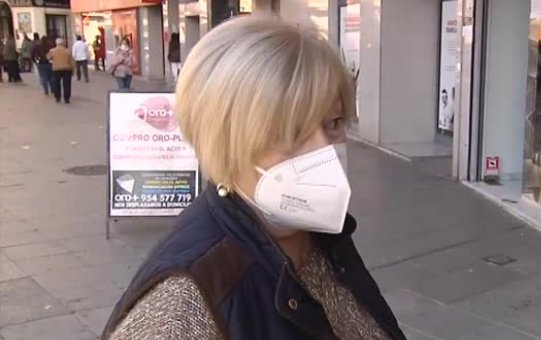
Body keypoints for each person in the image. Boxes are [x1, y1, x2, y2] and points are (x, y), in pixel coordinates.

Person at [102, 17, 405, 340]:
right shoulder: (182, 306)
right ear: (226, 141)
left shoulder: (316, 237)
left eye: (333, 122)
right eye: (290, 131)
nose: (324, 150)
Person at [47, 38, 75, 103]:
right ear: (63, 43)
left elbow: (48, 57)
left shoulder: (52, 50)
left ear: (56, 43)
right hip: (67, 69)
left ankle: (57, 97)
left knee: (56, 83)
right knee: (67, 84)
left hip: (56, 69)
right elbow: (72, 62)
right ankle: (66, 98)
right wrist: (73, 69)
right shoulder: (67, 51)